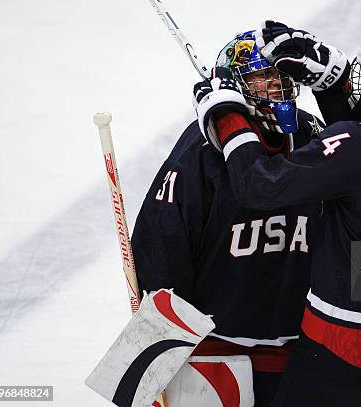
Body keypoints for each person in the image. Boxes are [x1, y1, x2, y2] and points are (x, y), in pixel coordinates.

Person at [193, 22, 361, 406]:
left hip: (349, 341)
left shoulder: (358, 145)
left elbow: (259, 186)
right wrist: (328, 82)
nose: (359, 80)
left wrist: (226, 114)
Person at [131, 30, 324, 406]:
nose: (275, 87)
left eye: (281, 77)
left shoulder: (313, 133)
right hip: (217, 354)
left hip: (303, 348)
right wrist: (165, 325)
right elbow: (162, 240)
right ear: (236, 85)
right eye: (260, 76)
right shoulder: (202, 148)